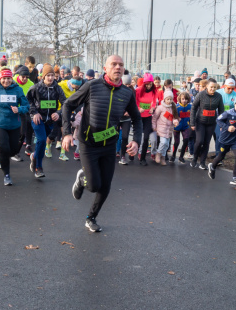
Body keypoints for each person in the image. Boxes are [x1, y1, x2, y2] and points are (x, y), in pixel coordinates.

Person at [61, 55, 142, 233]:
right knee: (94, 185)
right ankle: (82, 179)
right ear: (105, 68)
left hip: (109, 145)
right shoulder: (92, 86)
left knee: (105, 186)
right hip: (88, 143)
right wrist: (66, 133)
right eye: (113, 64)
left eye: (121, 65)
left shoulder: (127, 93)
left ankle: (91, 218)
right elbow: (67, 105)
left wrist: (136, 140)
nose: (118, 67)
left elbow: (136, 118)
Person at [0, 68, 30, 185]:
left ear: (12, 79)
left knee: (12, 150)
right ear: (0, 79)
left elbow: (26, 106)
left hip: (14, 124)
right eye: (4, 78)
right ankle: (7, 175)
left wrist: (19, 109)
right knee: (4, 148)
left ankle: (1, 159)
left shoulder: (18, 90)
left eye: (8, 78)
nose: (6, 81)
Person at [28, 63, 65, 178]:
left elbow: (65, 104)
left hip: (50, 121)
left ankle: (34, 156)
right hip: (38, 119)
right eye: (47, 75)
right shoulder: (36, 88)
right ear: (43, 77)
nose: (50, 78)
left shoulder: (58, 88)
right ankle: (38, 167)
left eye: (52, 75)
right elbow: (27, 101)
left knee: (42, 143)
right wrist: (35, 112)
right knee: (42, 140)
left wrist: (58, 113)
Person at [208, 94, 236, 186]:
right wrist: (227, 127)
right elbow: (218, 120)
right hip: (225, 139)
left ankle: (235, 178)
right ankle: (213, 166)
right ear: (234, 104)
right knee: (221, 157)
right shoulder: (228, 113)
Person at [190, 78, 225, 170]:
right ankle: (194, 158)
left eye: (214, 87)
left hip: (211, 123)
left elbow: (221, 111)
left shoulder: (218, 96)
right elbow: (193, 107)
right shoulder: (200, 95)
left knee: (206, 142)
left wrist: (221, 124)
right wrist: (192, 123)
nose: (213, 89)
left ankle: (202, 162)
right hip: (200, 122)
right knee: (199, 141)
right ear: (206, 87)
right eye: (211, 87)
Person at [135, 73, 158, 165]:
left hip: (148, 116)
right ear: (144, 83)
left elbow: (154, 101)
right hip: (139, 117)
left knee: (146, 138)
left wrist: (153, 107)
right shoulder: (138, 90)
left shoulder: (154, 91)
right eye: (147, 84)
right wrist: (138, 108)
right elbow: (135, 102)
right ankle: (133, 153)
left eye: (150, 84)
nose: (148, 86)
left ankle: (143, 158)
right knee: (138, 137)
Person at [152, 90, 177, 165]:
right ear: (164, 99)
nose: (169, 101)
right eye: (168, 99)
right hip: (161, 128)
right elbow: (154, 118)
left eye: (171, 99)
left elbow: (175, 117)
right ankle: (158, 153)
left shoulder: (173, 107)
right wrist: (154, 126)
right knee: (163, 142)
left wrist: (176, 121)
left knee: (167, 145)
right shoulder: (160, 107)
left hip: (169, 129)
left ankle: (163, 157)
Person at [172, 91, 193, 164]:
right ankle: (173, 155)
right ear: (180, 99)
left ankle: (181, 157)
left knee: (186, 140)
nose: (184, 100)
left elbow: (192, 116)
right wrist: (176, 119)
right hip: (177, 127)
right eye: (183, 99)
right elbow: (172, 116)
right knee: (176, 142)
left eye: (186, 99)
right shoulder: (176, 107)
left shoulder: (190, 106)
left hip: (186, 127)